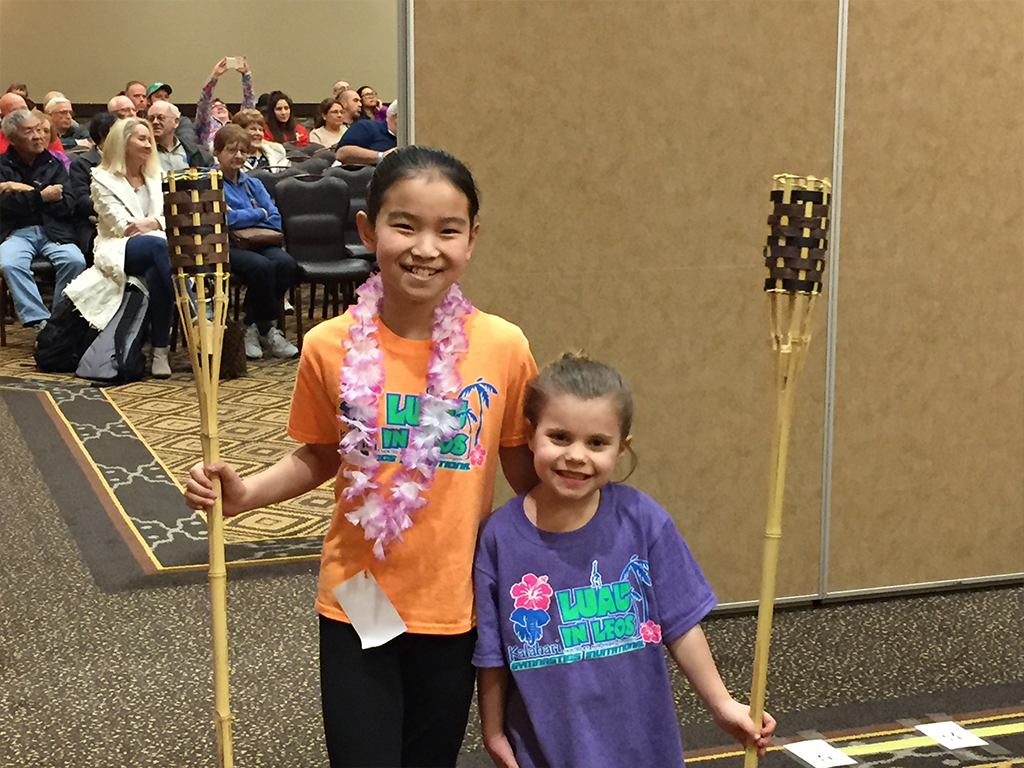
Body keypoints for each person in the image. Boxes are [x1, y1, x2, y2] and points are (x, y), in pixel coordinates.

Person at [183, 145, 539, 768]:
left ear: (471, 240)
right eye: (405, 225)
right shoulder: (329, 346)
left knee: (427, 758)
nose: (425, 247)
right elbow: (320, 455)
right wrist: (247, 495)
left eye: (447, 230)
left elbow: (522, 475)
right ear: (368, 231)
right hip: (361, 595)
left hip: (454, 600)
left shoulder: (502, 347)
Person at [472, 354, 777, 768]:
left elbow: (682, 624)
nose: (576, 455)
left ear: (621, 449)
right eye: (559, 437)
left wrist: (722, 703)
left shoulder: (643, 520)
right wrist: (492, 731)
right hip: (548, 747)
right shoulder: (499, 537)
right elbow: (492, 652)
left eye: (597, 442)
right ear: (530, 435)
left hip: (639, 744)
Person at [64, 117, 173, 377]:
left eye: (150, 139)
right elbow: (123, 226)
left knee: (159, 274)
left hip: (157, 246)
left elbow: (173, 216)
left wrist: (154, 221)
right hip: (118, 248)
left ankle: (160, 352)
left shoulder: (156, 177)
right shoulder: (101, 178)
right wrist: (155, 224)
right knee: (159, 249)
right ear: (123, 143)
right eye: (142, 139)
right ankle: (193, 312)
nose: (149, 145)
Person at [212, 124, 297, 359]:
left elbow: (275, 218)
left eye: (243, 151)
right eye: (231, 150)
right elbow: (223, 219)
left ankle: (252, 324)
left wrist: (247, 216)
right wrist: (257, 214)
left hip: (260, 241)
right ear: (217, 152)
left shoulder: (253, 183)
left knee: (287, 264)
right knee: (262, 268)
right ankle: (266, 328)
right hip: (226, 246)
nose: (238, 156)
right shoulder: (211, 183)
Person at [0, 109, 86, 329]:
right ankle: (39, 320)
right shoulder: (2, 166)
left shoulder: (53, 164)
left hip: (53, 231)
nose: (38, 136)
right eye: (29, 131)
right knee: (10, 263)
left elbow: (68, 205)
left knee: (75, 261)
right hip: (14, 232)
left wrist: (24, 191)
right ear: (11, 138)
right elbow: (5, 208)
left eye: (40, 130)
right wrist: (41, 196)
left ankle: (58, 320)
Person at [69, 110, 119, 254]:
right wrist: (114, 207)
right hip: (92, 223)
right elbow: (81, 201)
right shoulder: (81, 164)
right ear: (103, 137)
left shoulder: (128, 161)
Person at [195, 57, 254, 148]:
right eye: (214, 106)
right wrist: (214, 76)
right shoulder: (206, 124)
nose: (220, 107)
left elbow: (249, 104)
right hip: (213, 158)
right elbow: (204, 102)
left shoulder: (237, 124)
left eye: (223, 106)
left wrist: (246, 75)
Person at [148, 101, 212, 173]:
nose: (155, 122)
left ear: (176, 122)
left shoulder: (192, 151)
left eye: (161, 118)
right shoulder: (144, 151)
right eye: (151, 119)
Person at [334, 100, 398, 166]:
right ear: (395, 117)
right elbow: (341, 153)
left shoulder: (407, 138)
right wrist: (381, 156)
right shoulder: (366, 126)